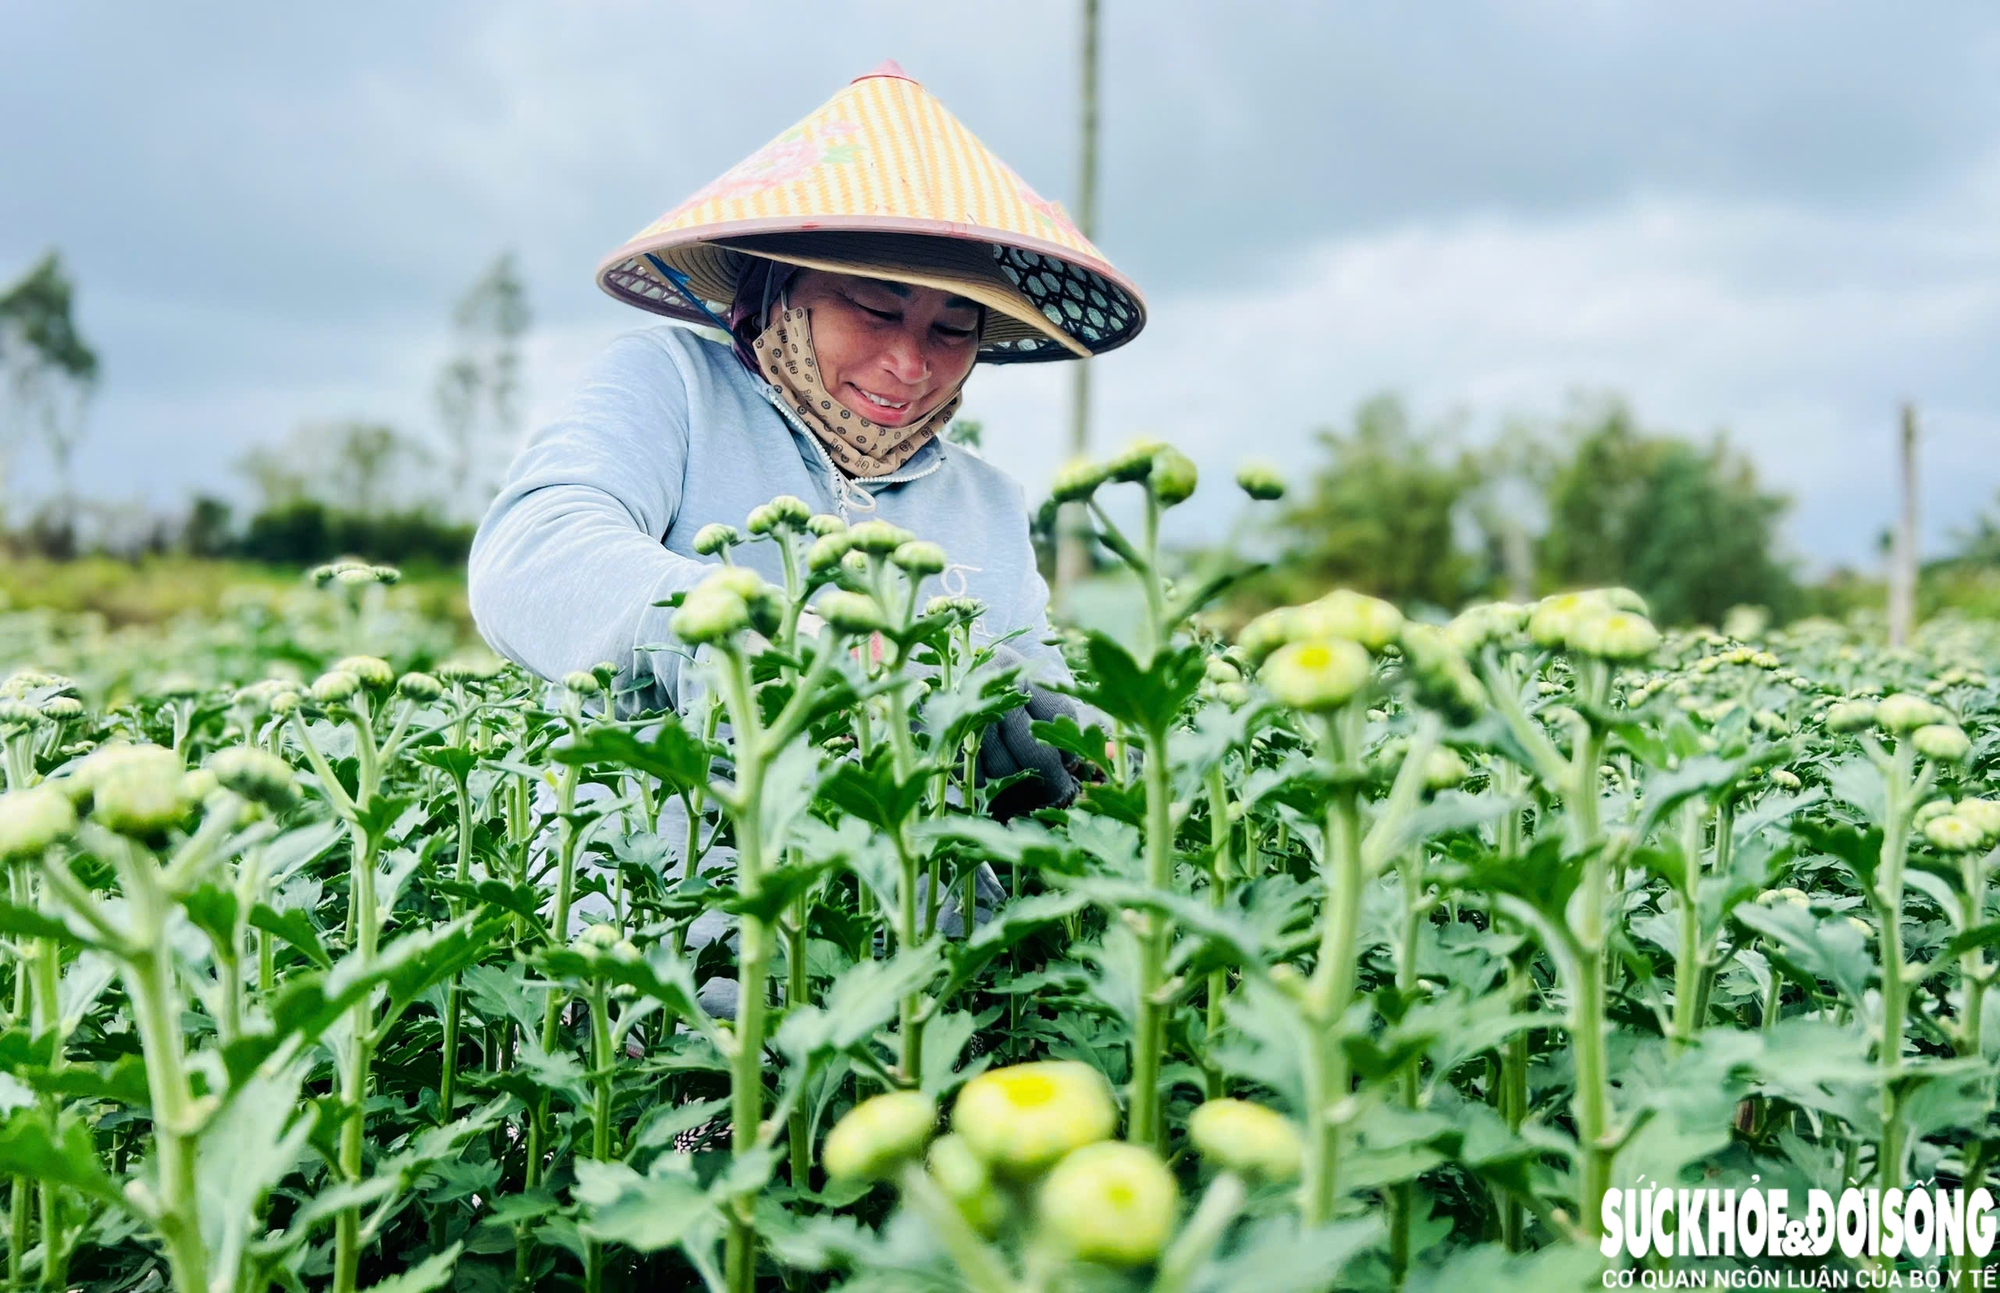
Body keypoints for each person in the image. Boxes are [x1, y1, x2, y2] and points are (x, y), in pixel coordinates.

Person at [468, 60, 1146, 815]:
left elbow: (1044, 688)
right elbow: (533, 555)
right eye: (876, 310)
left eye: (954, 330)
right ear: (776, 289)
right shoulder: (674, 385)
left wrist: (1053, 733)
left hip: (916, 889)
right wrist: (758, 636)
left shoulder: (987, 503)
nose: (911, 363)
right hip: (673, 877)